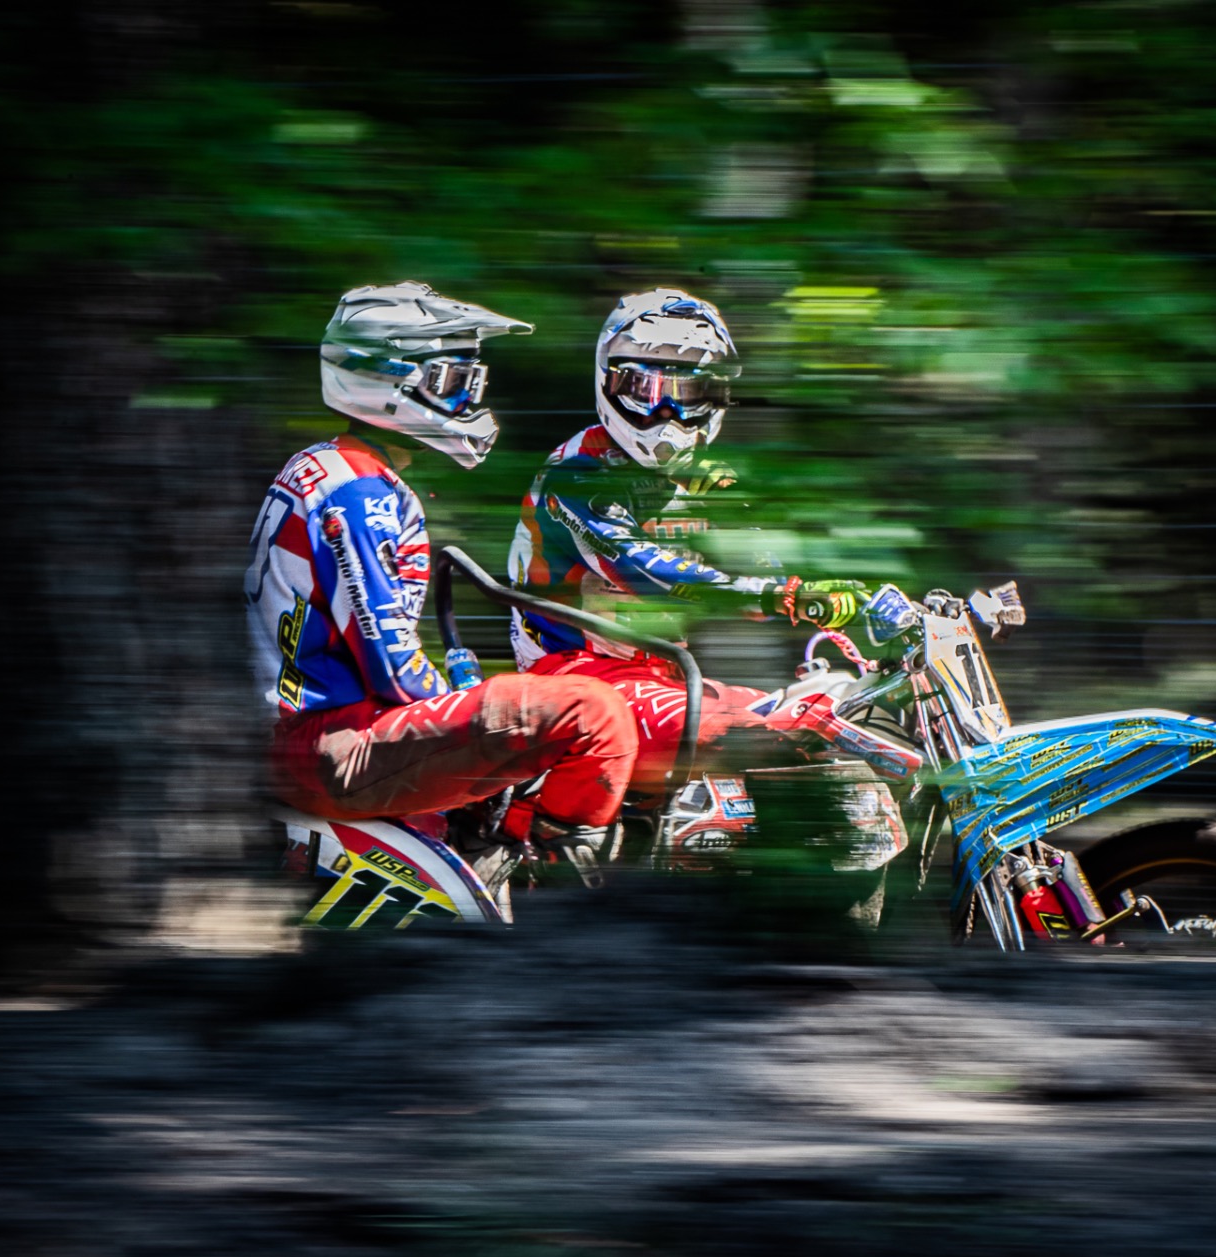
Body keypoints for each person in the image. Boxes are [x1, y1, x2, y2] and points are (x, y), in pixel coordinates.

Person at [247, 281, 635, 878]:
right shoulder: (360, 491)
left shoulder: (324, 466)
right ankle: (557, 879)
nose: (468, 399)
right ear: (382, 379)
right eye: (453, 382)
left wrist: (463, 696)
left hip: (310, 732)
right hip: (328, 742)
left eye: (473, 383)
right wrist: (461, 702)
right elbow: (392, 665)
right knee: (592, 709)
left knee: (516, 704)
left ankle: (489, 856)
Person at [505, 287, 915, 799]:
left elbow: (761, 570)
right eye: (646, 389)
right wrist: (786, 596)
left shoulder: (691, 480)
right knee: (747, 735)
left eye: (689, 394)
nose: (667, 412)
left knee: (828, 715)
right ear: (609, 382)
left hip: (663, 676)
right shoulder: (577, 473)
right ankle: (546, 830)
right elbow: (646, 572)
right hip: (576, 680)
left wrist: (736, 521)